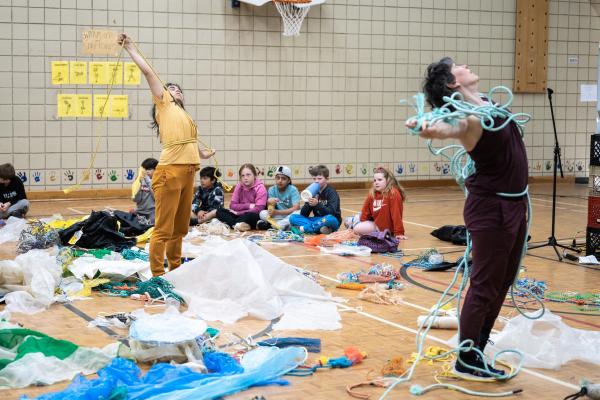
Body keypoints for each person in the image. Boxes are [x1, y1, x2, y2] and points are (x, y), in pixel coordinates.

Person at [407, 57, 528, 379]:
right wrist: (426, 127)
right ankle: (466, 359)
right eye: (458, 65)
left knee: (502, 282)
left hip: (514, 205)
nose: (466, 64)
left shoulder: (487, 103)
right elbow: (446, 127)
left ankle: (476, 350)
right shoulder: (470, 118)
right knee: (485, 285)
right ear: (452, 83)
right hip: (493, 208)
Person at [119, 33, 215, 276]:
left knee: (180, 228)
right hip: (170, 173)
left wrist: (201, 154)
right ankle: (157, 275)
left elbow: (187, 145)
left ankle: (175, 270)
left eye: (177, 89)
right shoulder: (164, 104)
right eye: (170, 88)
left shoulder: (185, 117)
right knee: (164, 227)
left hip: (187, 173)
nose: (174, 90)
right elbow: (150, 74)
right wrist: (130, 47)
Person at [350, 166, 407, 240]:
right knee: (355, 225)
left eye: (380, 180)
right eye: (375, 180)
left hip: (382, 229)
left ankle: (353, 222)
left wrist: (399, 232)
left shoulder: (393, 194)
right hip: (374, 224)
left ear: (388, 180)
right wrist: (364, 223)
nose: (376, 182)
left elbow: (396, 214)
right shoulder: (372, 194)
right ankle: (353, 220)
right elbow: (365, 212)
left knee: (357, 229)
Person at [289, 165, 341, 234]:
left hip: (330, 220)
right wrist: (308, 203)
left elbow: (331, 213)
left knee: (330, 219)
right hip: (317, 220)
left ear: (327, 179)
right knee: (293, 217)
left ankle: (304, 228)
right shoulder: (312, 191)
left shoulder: (331, 192)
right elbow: (304, 214)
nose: (316, 181)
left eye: (319, 179)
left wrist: (317, 205)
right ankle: (320, 229)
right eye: (314, 179)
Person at [216, 163, 267, 231]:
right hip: (239, 214)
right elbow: (232, 205)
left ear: (255, 175)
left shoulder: (260, 188)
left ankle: (234, 224)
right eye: (242, 176)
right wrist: (248, 205)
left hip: (252, 215)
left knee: (250, 216)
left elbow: (259, 209)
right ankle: (240, 225)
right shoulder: (239, 185)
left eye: (248, 175)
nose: (245, 178)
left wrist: (239, 212)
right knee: (219, 211)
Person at [258, 165, 301, 230]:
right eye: (278, 178)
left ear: (288, 180)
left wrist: (277, 212)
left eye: (283, 178)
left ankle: (275, 226)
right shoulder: (271, 189)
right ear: (275, 178)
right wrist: (270, 204)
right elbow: (271, 210)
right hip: (279, 216)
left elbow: (296, 208)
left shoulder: (293, 190)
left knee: (298, 213)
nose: (280, 181)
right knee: (262, 213)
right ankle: (284, 225)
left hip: (290, 214)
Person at [132, 157, 158, 225]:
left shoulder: (158, 181)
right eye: (145, 169)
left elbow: (156, 198)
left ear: (156, 170)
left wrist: (148, 181)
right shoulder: (141, 180)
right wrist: (138, 186)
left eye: (149, 169)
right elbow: (136, 199)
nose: (147, 171)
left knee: (151, 228)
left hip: (152, 212)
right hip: (140, 211)